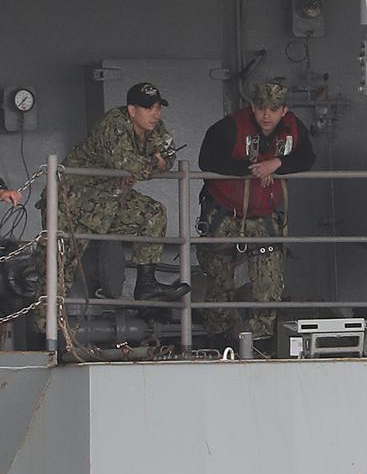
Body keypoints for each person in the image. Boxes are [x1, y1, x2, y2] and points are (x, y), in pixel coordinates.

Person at [34, 82, 191, 308]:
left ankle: (146, 285)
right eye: (148, 108)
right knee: (57, 270)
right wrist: (150, 164)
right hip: (73, 203)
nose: (155, 114)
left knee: (152, 213)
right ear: (131, 110)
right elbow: (128, 162)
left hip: (108, 201)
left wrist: (151, 164)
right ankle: (47, 335)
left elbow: (169, 155)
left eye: (158, 107)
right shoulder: (113, 124)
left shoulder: (156, 128)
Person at [197, 80, 315, 352]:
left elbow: (308, 157)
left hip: (264, 217)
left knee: (268, 282)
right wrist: (252, 169)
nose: (266, 115)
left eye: (273, 109)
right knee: (219, 281)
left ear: (284, 110)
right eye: (261, 107)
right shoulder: (229, 128)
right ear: (252, 106)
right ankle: (219, 343)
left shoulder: (294, 130)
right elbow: (208, 160)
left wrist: (277, 163)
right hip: (226, 214)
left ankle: (262, 345)